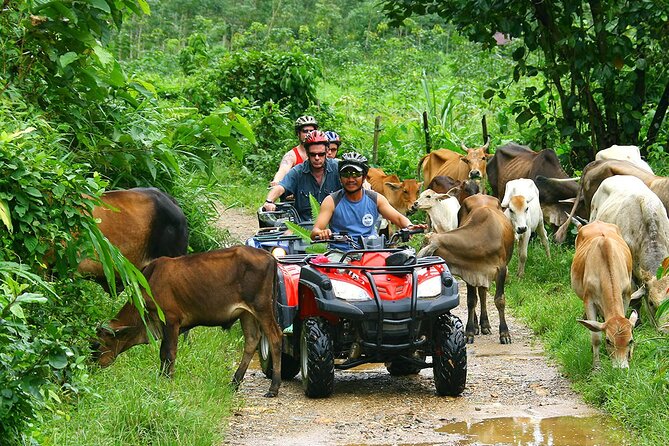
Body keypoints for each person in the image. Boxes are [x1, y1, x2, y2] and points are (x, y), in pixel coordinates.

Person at [311, 152, 424, 249]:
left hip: (371, 252)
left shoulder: (375, 198)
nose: (350, 179)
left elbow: (399, 218)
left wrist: (410, 227)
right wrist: (322, 233)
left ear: (364, 177)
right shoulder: (331, 201)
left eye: (356, 174)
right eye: (346, 174)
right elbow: (315, 231)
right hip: (341, 255)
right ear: (340, 177)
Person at [263, 130, 341, 222]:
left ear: (326, 151)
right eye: (313, 154)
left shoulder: (338, 167)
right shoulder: (298, 171)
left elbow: (357, 181)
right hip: (304, 227)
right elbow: (281, 187)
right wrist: (269, 201)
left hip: (335, 227)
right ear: (307, 153)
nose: (317, 158)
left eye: (321, 154)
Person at [270, 115, 319, 187]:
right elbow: (283, 169)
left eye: (311, 131)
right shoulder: (292, 155)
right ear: (298, 134)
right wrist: (276, 180)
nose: (309, 134)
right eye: (305, 131)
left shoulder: (322, 152)